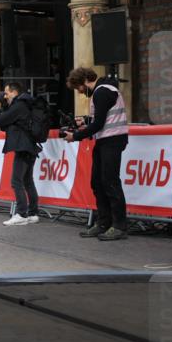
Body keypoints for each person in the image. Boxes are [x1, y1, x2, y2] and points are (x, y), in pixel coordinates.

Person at [65, 67, 129, 241]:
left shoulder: (102, 92)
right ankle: (103, 223)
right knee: (98, 182)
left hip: (112, 140)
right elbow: (102, 118)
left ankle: (119, 226)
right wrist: (86, 121)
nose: (79, 92)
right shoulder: (103, 91)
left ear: (85, 80)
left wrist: (76, 136)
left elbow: (99, 123)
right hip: (106, 140)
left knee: (110, 182)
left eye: (78, 87)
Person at [0, 82, 40, 226]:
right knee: (27, 180)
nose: (4, 96)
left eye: (6, 93)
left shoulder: (19, 106)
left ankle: (21, 214)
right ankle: (33, 213)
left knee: (16, 181)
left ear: (14, 92)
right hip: (30, 146)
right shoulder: (24, 104)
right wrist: (3, 108)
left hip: (23, 147)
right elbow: (6, 123)